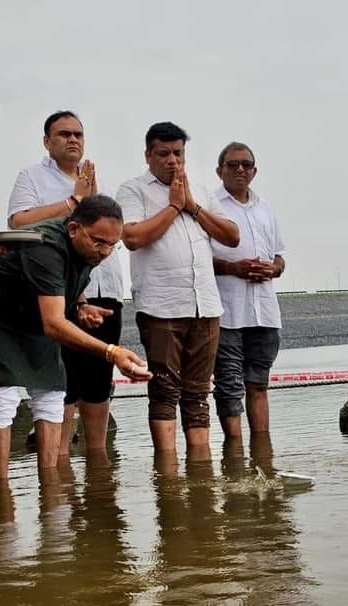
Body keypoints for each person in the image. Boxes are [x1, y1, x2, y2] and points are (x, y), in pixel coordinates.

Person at [0, 196, 151, 478]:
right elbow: (53, 324)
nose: (106, 251)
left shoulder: (90, 247)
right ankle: (0, 493)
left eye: (113, 244)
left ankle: (50, 486)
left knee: (52, 390)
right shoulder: (45, 245)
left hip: (32, 307)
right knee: (3, 392)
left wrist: (80, 304)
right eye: (99, 242)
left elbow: (64, 282)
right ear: (73, 228)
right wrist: (112, 352)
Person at [6, 110, 126, 456]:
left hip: (106, 288)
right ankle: (57, 463)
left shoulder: (95, 174)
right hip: (60, 292)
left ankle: (99, 461)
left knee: (99, 377)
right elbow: (18, 222)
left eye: (78, 134)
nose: (72, 140)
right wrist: (72, 203)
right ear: (47, 141)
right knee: (65, 378)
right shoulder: (31, 177)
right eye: (63, 134)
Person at [118, 122, 239, 459]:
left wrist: (192, 206)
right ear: (149, 155)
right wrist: (173, 207)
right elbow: (133, 238)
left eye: (178, 154)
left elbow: (232, 236)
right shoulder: (133, 190)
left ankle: (200, 470)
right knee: (165, 390)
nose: (173, 161)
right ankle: (168, 473)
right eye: (164, 154)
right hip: (161, 307)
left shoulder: (199, 188)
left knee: (198, 392)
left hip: (206, 305)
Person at [210, 142, 286, 438]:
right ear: (220, 171)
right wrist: (233, 268)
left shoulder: (265, 208)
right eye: (233, 164)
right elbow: (198, 259)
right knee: (229, 387)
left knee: (259, 384)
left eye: (246, 164)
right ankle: (235, 453)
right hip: (227, 312)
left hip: (264, 311)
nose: (240, 169)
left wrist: (273, 268)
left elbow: (280, 256)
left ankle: (262, 452)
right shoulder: (209, 207)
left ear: (254, 171)